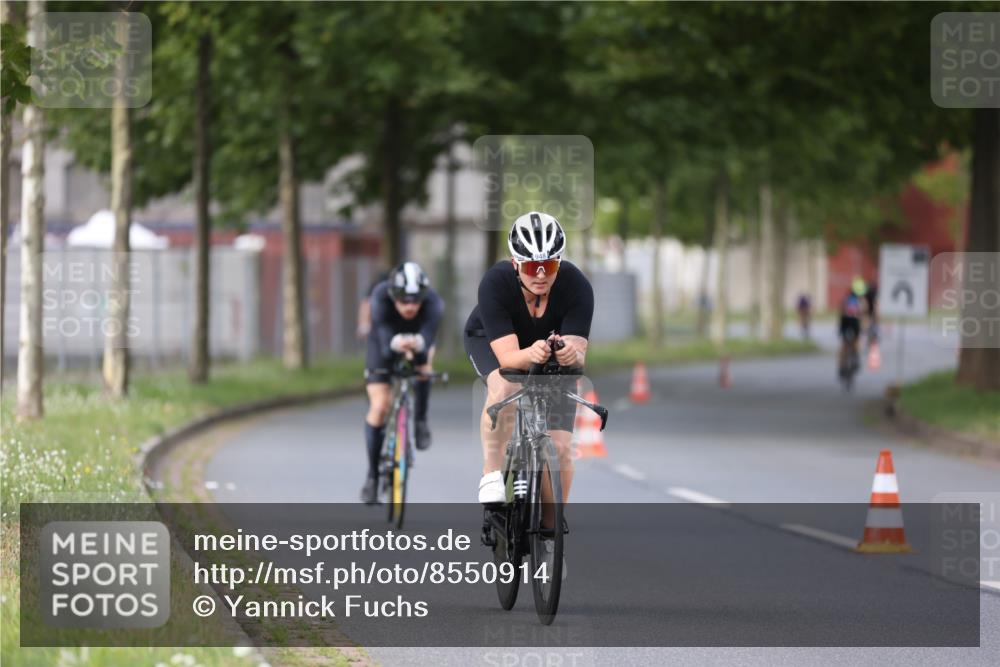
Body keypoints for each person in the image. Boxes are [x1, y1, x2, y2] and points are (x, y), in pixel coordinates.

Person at [463, 211, 594, 507]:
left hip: (546, 353)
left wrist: (569, 354)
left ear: (558, 263)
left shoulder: (576, 286)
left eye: (548, 265)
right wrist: (530, 353)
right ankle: (491, 474)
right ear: (515, 263)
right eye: (532, 266)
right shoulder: (495, 283)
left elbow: (577, 356)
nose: (540, 274)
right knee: (505, 388)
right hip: (491, 341)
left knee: (560, 449)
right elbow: (509, 358)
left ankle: (549, 534)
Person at [360, 262, 443, 504]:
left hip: (418, 338)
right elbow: (385, 341)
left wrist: (417, 348)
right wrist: (396, 345)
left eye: (415, 301)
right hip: (383, 341)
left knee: (424, 368)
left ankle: (420, 421)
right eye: (404, 301)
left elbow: (428, 339)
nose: (410, 306)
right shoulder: (380, 296)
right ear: (393, 295)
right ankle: (373, 477)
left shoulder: (434, 302)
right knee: (380, 406)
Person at [838, 277, 867, 378]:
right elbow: (863, 314)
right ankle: (855, 358)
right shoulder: (862, 300)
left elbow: (841, 311)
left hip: (845, 322)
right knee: (856, 341)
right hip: (854, 323)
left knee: (844, 345)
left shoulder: (847, 298)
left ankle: (841, 366)